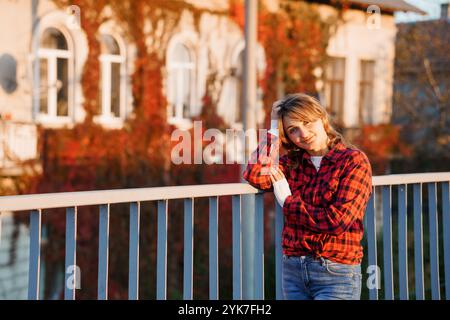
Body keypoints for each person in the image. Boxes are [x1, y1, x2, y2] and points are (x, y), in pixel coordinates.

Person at [243, 93, 372, 300]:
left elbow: (337, 221)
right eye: (293, 129)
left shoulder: (353, 161)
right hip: (293, 271)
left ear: (322, 118)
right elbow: (254, 174)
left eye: (307, 122)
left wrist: (287, 202)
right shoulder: (292, 163)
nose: (303, 133)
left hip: (336, 272)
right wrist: (274, 127)